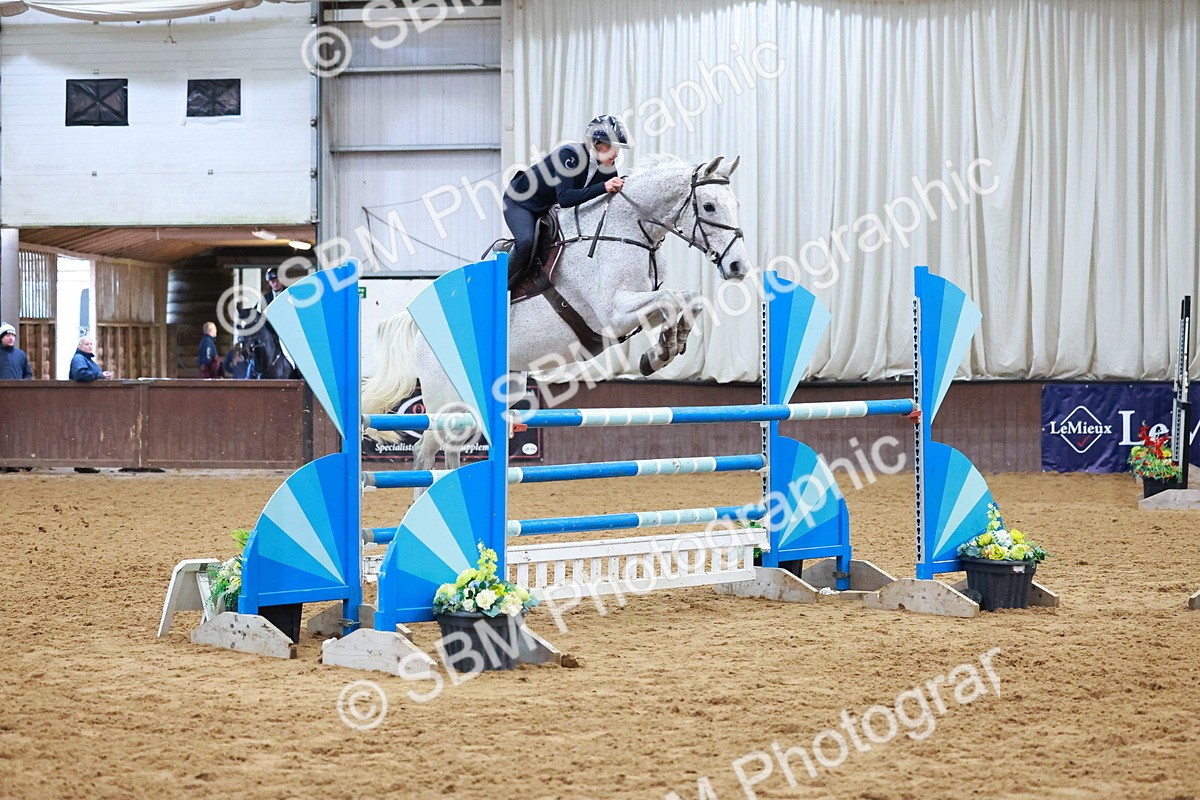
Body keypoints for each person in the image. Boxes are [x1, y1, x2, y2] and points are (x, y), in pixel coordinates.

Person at [503, 114, 631, 288]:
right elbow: (565, 198)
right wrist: (603, 186)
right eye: (610, 146)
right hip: (520, 201)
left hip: (548, 206)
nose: (615, 153)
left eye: (618, 148)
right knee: (526, 241)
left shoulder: (608, 168)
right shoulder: (569, 155)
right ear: (595, 143)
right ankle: (498, 286)